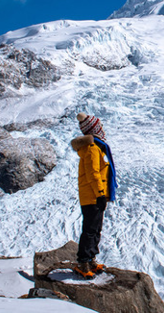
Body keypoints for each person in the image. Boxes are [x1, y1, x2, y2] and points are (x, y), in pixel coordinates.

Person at [70, 113, 118, 278]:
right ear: (94, 129)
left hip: (94, 196)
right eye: (100, 127)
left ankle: (90, 259)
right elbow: (93, 174)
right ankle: (83, 261)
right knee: (90, 230)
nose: (102, 129)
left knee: (95, 229)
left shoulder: (96, 148)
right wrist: (99, 195)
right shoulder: (91, 149)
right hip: (92, 197)